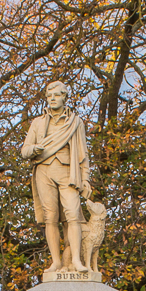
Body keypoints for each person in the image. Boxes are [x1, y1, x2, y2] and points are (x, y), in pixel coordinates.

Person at [21, 80, 92, 272]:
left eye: (56, 95)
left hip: (68, 173)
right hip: (44, 171)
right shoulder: (38, 123)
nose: (52, 99)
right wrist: (34, 149)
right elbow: (24, 150)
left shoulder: (75, 123)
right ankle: (56, 262)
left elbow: (83, 155)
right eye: (49, 96)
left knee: (73, 214)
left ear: (64, 97)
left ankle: (76, 260)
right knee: (50, 216)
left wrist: (85, 179)